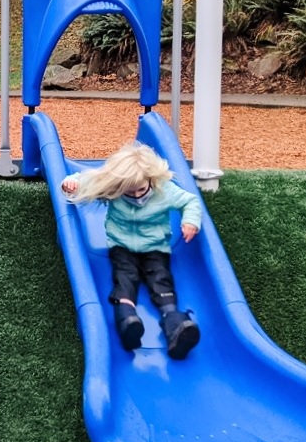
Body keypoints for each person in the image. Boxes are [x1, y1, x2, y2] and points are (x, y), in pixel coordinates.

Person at [61, 142, 203, 359]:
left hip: (155, 247)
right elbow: (82, 181)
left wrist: (190, 220)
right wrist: (70, 183)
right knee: (124, 278)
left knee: (161, 279)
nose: (137, 195)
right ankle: (128, 320)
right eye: (130, 191)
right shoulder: (114, 188)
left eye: (141, 189)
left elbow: (190, 201)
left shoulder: (164, 189)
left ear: (151, 180)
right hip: (122, 246)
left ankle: (175, 324)